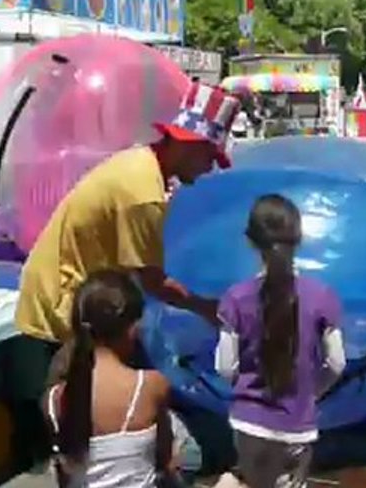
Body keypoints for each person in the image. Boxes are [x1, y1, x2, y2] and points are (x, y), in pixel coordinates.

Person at [16, 81, 242, 349]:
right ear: (189, 145)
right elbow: (154, 283)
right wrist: (209, 309)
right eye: (210, 156)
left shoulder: (140, 162)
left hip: (51, 287)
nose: (209, 167)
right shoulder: (144, 193)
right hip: (60, 306)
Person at [215, 194, 346, 488]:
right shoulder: (322, 296)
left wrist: (246, 387)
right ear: (298, 240)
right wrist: (311, 392)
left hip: (248, 421)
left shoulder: (235, 298)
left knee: (249, 477)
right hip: (296, 425)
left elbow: (225, 367)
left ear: (250, 241)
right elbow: (337, 363)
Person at [44, 268, 177, 488]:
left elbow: (63, 476)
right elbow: (165, 463)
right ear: (133, 329)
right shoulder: (150, 385)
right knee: (190, 449)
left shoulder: (53, 401)